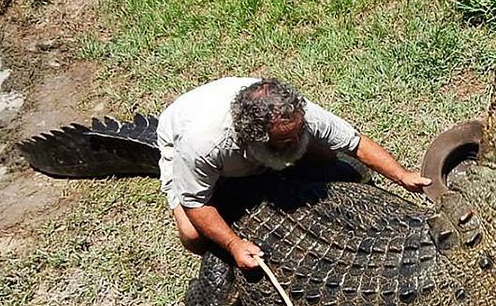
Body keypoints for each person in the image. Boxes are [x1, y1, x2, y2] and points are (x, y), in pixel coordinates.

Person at [156, 77, 431, 270]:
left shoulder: (298, 117)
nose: (301, 139)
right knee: (193, 235)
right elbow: (196, 203)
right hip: (181, 131)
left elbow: (355, 144)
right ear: (256, 138)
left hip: (242, 124)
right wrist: (233, 244)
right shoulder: (202, 146)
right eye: (288, 140)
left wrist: (401, 175)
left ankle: (274, 166)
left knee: (327, 156)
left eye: (301, 130)